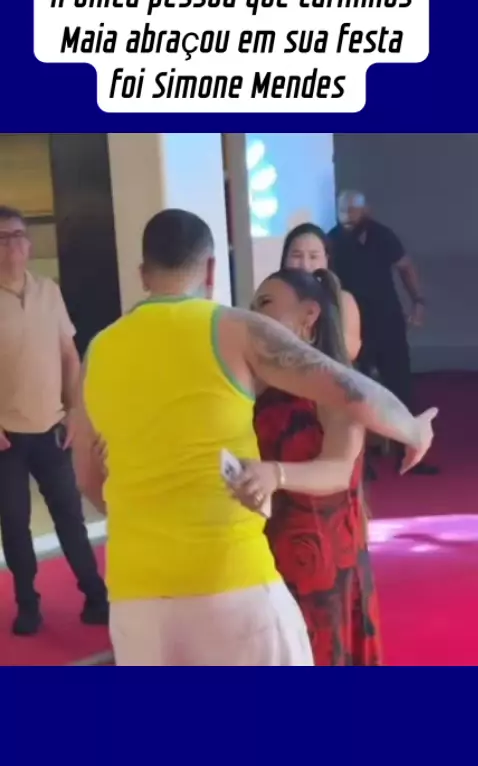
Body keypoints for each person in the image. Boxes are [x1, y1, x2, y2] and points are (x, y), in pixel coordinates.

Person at [72, 209, 436, 667]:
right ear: (210, 270)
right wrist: (413, 428)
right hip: (231, 579)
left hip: (135, 592)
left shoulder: (99, 350)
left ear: (143, 273)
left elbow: (87, 477)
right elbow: (352, 390)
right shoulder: (233, 329)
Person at [233, 267, 380, 665]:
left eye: (265, 304)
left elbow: (338, 469)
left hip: (322, 556)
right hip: (261, 550)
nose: (253, 316)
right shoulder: (253, 384)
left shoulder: (336, 384)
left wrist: (275, 474)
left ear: (309, 314)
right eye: (252, 307)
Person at [0, 205, 108, 636]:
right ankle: (28, 604)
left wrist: (75, 410)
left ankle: (95, 597)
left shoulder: (48, 291)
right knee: (14, 524)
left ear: (29, 244)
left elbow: (69, 355)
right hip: (6, 438)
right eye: (3, 237)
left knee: (70, 518)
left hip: (52, 430)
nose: (12, 245)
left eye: (18, 235)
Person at [328, 190, 437, 474]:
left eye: (352, 210)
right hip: (353, 325)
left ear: (366, 211)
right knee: (356, 391)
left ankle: (410, 452)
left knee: (400, 386)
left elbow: (406, 267)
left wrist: (418, 301)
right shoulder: (332, 240)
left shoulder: (382, 235)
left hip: (387, 320)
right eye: (342, 210)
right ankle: (361, 461)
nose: (347, 216)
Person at [281, 222, 361, 361]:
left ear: (326, 260)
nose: (305, 265)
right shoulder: (275, 298)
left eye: (313, 257)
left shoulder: (343, 299)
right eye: (296, 256)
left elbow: (350, 350)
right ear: (285, 259)